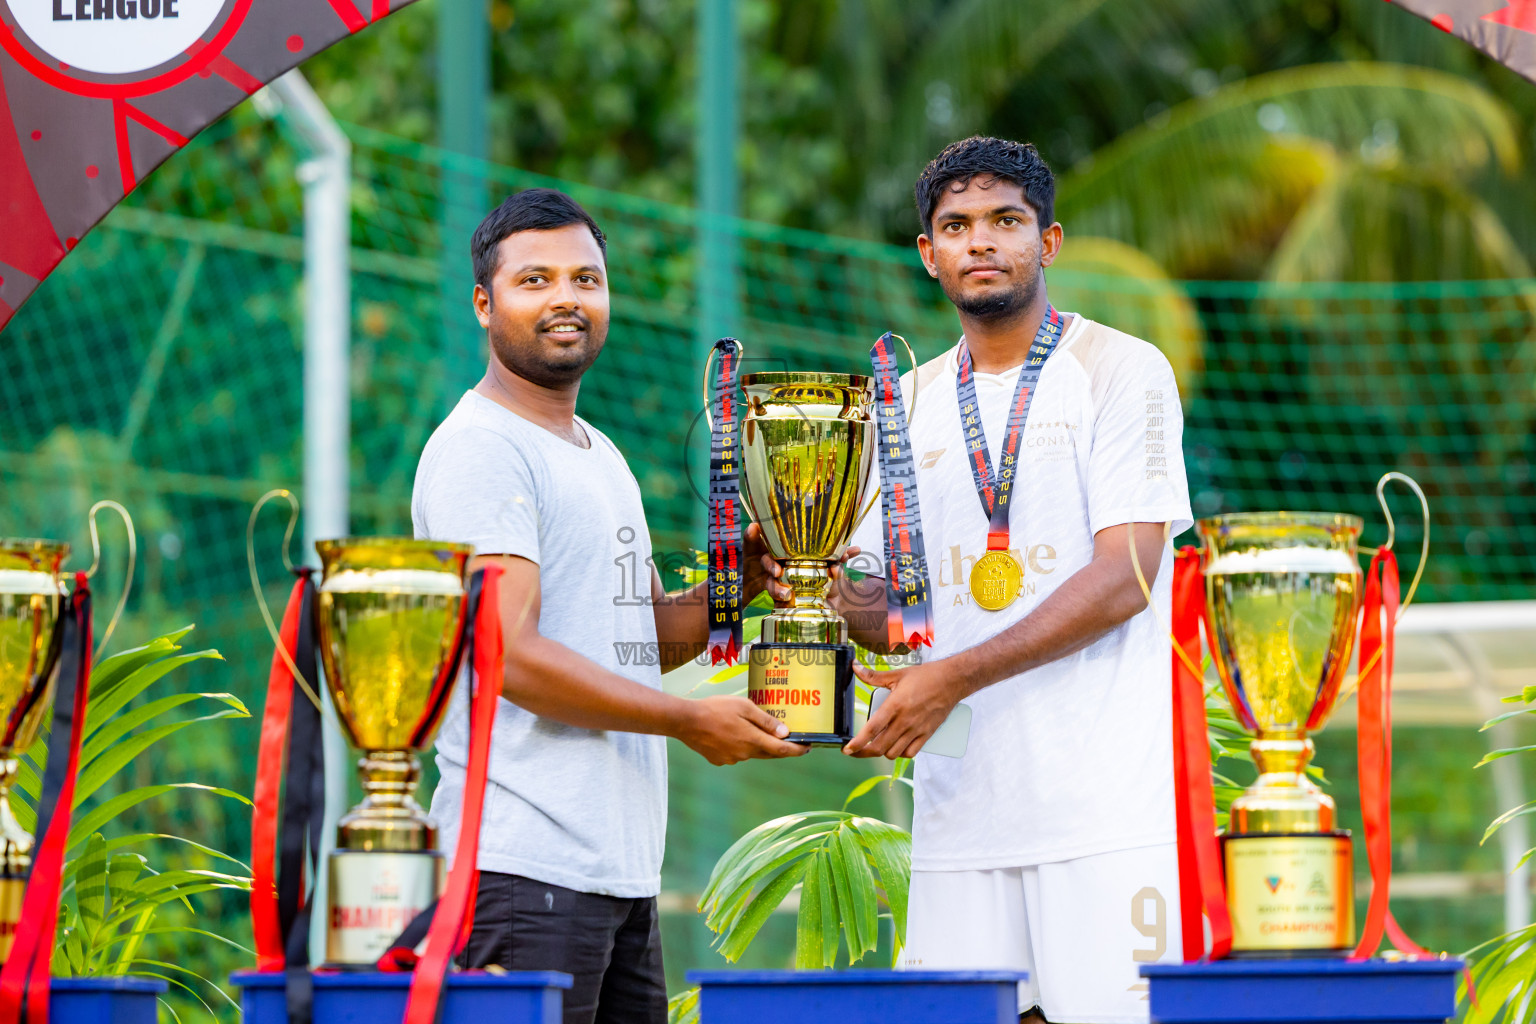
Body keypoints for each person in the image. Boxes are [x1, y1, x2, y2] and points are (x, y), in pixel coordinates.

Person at [411, 188, 806, 1024]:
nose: (566, 298)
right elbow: (508, 654)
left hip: (614, 871)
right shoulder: (482, 449)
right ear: (485, 305)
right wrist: (686, 721)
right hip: (518, 867)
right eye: (536, 280)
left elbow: (639, 638)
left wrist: (749, 579)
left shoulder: (599, 453)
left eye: (585, 278)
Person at [837, 137, 1192, 1023]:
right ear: (929, 254)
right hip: (961, 816)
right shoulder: (902, 403)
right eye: (955, 226)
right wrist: (814, 584)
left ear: (1050, 239)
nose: (981, 242)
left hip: (1103, 814)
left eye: (1006, 220)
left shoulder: (1123, 371)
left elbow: (1128, 578)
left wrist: (950, 675)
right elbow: (891, 617)